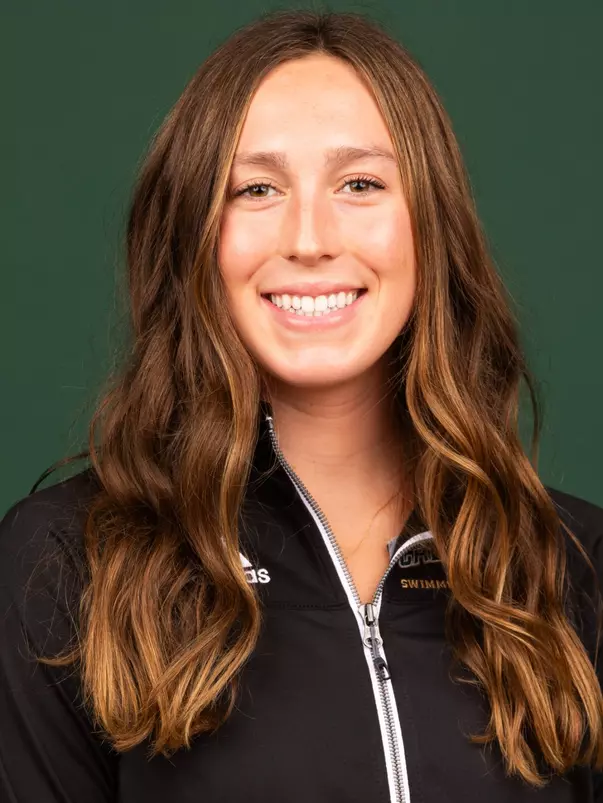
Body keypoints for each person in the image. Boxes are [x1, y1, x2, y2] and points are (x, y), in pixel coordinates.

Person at [0, 9, 602, 803]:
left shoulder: (569, 563)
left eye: (360, 184)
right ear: (194, 234)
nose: (310, 237)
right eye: (256, 188)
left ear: (430, 226)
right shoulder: (63, 562)